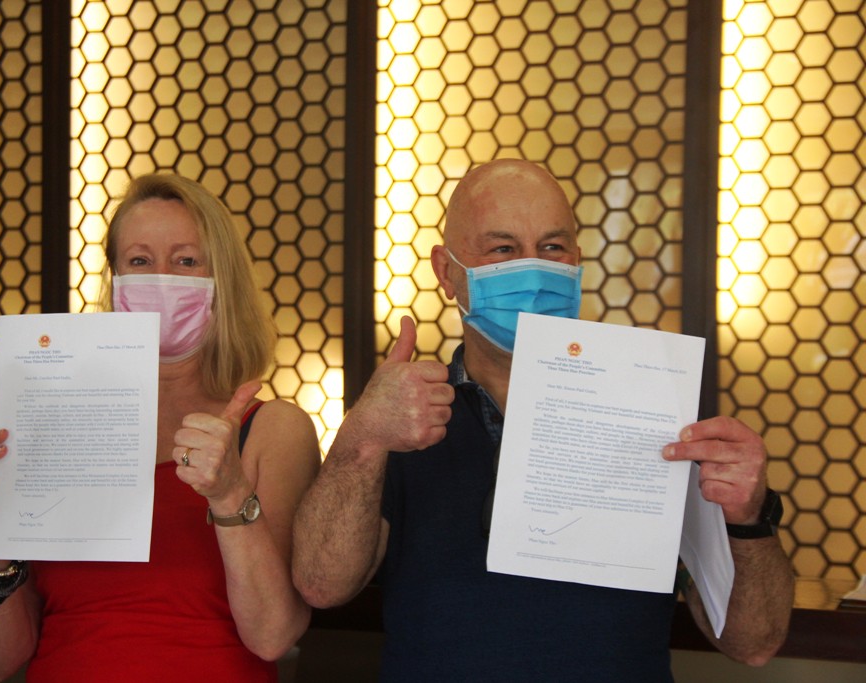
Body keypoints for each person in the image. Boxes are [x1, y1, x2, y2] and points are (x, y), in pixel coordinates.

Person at [291, 159, 793, 681]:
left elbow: (753, 642)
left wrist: (749, 517)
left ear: (575, 262)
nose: (532, 269)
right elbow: (323, 586)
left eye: (552, 248)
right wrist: (363, 437)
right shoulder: (404, 417)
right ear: (447, 271)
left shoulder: (654, 410)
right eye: (503, 249)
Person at [0, 173, 321, 682]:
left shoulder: (272, 430)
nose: (163, 278)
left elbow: (273, 635)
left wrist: (229, 492)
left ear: (222, 279)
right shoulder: (54, 421)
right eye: (140, 261)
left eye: (186, 260)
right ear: (114, 278)